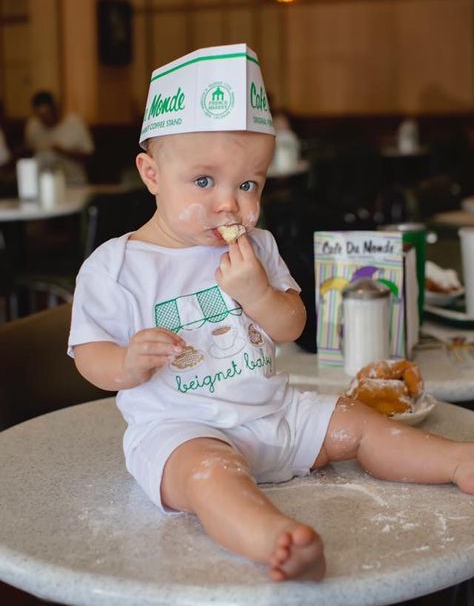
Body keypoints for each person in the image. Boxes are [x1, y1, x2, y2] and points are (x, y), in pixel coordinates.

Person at [68, 44, 474, 583]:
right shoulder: (117, 266)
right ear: (151, 173)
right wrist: (126, 362)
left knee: (359, 423)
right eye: (204, 181)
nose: (230, 204)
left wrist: (257, 292)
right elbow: (88, 355)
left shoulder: (257, 247)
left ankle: (455, 461)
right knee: (212, 478)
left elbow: (291, 324)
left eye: (248, 184)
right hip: (182, 428)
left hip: (273, 411)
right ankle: (274, 539)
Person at [24, 90, 94, 184]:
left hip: (73, 182)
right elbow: (29, 151)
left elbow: (88, 156)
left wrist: (63, 151)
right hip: (43, 182)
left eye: (47, 114)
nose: (44, 119)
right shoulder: (32, 125)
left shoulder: (75, 123)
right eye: (40, 116)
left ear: (56, 109)